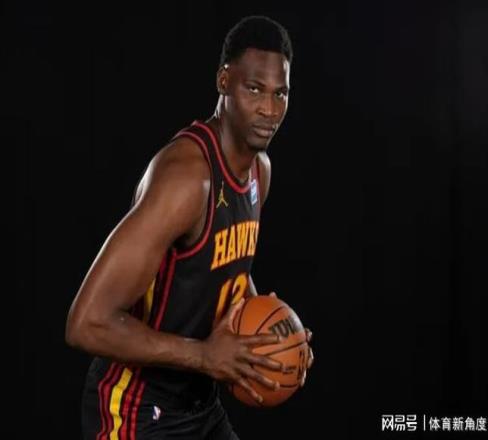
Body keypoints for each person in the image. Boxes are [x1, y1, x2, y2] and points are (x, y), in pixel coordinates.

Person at [66, 15, 313, 440]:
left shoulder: (260, 170)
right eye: (254, 89)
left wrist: (276, 336)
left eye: (281, 93)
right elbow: (86, 322)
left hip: (198, 404)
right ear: (224, 81)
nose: (270, 110)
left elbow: (223, 268)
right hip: (135, 411)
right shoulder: (186, 179)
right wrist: (204, 356)